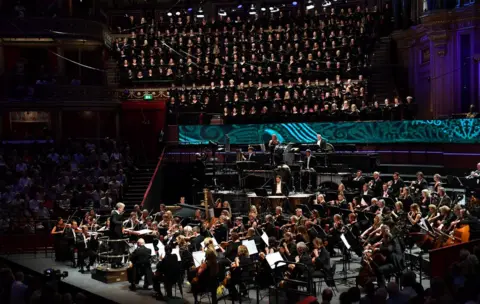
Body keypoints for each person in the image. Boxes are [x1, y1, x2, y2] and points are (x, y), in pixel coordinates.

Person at [110, 202, 126, 267]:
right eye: (122, 208)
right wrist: (122, 222)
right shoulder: (114, 213)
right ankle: (113, 264)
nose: (123, 209)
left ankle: (118, 262)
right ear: (119, 208)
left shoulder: (118, 213)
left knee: (120, 249)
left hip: (119, 234)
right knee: (116, 250)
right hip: (115, 235)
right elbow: (114, 221)